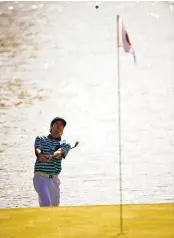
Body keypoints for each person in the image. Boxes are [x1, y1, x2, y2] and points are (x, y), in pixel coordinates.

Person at [33, 117, 71, 207]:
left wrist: (51, 156)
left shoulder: (65, 143)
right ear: (51, 126)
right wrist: (40, 155)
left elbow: (59, 152)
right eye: (56, 124)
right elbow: (38, 149)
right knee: (46, 204)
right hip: (40, 177)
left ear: (63, 129)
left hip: (54, 180)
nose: (59, 126)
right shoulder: (40, 138)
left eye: (61, 125)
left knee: (54, 207)